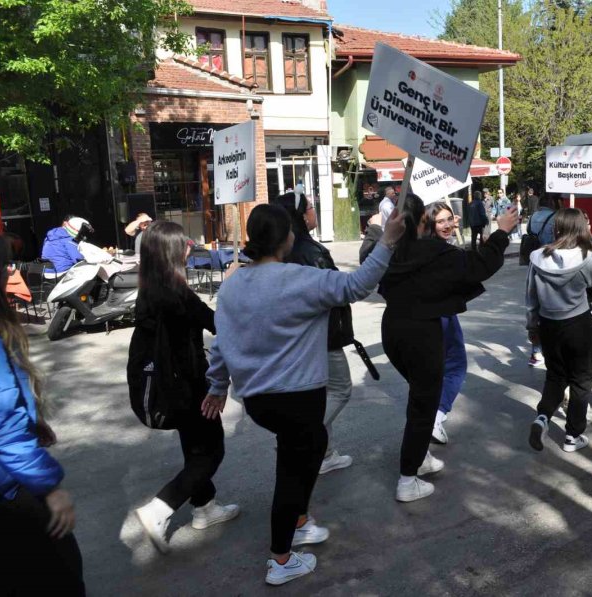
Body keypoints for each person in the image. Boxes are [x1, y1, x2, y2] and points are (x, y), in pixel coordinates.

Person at [202, 204, 404, 586]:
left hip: (259, 402)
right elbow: (357, 286)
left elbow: (219, 344)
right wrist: (388, 242)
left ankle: (297, 521)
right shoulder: (299, 279)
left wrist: (217, 385)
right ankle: (281, 559)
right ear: (286, 238)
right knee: (293, 471)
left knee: (309, 449)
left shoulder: (231, 286)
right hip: (297, 397)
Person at [378, 194, 517, 503]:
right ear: (423, 221)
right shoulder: (433, 252)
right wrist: (503, 231)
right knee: (423, 405)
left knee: (421, 398)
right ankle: (407, 479)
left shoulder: (390, 251)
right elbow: (479, 266)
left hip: (393, 331)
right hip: (420, 334)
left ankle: (420, 458)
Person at [130, 221, 239, 553]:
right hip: (186, 386)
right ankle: (159, 509)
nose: (190, 249)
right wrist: (230, 285)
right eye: (184, 245)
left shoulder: (150, 289)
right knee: (211, 451)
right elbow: (218, 323)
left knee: (195, 446)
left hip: (170, 386)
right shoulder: (176, 294)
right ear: (170, 252)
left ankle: (205, 508)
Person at [0, 236, 85, 596]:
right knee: (61, 574)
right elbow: (3, 427)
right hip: (11, 489)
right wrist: (49, 488)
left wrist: (34, 420)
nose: (9, 272)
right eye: (3, 266)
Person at [272, 192, 354, 475]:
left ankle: (326, 453)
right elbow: (336, 293)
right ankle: (300, 438)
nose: (314, 212)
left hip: (296, 336)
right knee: (341, 389)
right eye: (310, 207)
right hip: (324, 334)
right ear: (300, 215)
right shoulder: (311, 251)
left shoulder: (280, 250)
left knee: (320, 394)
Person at [526, 209, 592, 453]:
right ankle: (572, 435)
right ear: (581, 228)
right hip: (578, 324)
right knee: (581, 380)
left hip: (548, 324)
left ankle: (542, 417)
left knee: (556, 376)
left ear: (556, 228)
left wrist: (532, 325)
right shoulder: (587, 257)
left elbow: (531, 295)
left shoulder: (537, 256)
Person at [423, 202, 469, 444]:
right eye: (440, 221)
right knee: (455, 365)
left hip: (433, 314)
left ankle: (431, 419)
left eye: (449, 219)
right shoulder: (439, 251)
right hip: (441, 315)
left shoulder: (423, 245)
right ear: (430, 224)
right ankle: (437, 416)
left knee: (439, 369)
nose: (448, 224)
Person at [526, 195, 560, 367]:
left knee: (535, 303)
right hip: (551, 260)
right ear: (552, 202)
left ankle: (536, 351)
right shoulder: (555, 217)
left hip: (535, 259)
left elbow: (528, 232)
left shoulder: (532, 217)